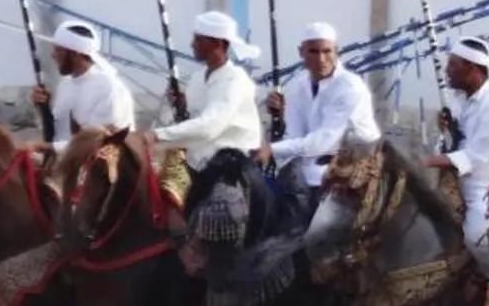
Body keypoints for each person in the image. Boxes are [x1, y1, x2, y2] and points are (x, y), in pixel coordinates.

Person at [434, 35, 489, 266]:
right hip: (460, 179)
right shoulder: (458, 101)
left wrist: (428, 161)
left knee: (478, 236)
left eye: (452, 64)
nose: (447, 70)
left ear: (472, 67)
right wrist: (446, 134)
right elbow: (449, 146)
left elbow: (477, 155)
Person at [259, 21, 379, 192]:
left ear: (337, 51)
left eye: (327, 51)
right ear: (301, 52)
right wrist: (278, 118)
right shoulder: (297, 86)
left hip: (352, 168)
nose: (321, 59)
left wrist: (272, 150)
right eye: (313, 52)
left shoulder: (350, 87)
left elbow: (324, 142)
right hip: (307, 171)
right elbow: (293, 135)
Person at [152, 11, 264, 173]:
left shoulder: (235, 80)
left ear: (217, 44)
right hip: (197, 166)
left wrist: (155, 136)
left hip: (232, 170)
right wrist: (182, 107)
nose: (192, 44)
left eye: (198, 39)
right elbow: (193, 122)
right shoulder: (197, 78)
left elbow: (209, 126)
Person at [32, 18, 136, 143]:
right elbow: (56, 136)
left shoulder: (109, 88)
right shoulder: (65, 84)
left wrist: (50, 149)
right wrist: (43, 108)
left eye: (58, 50)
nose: (53, 55)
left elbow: (96, 143)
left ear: (76, 54)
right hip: (64, 159)